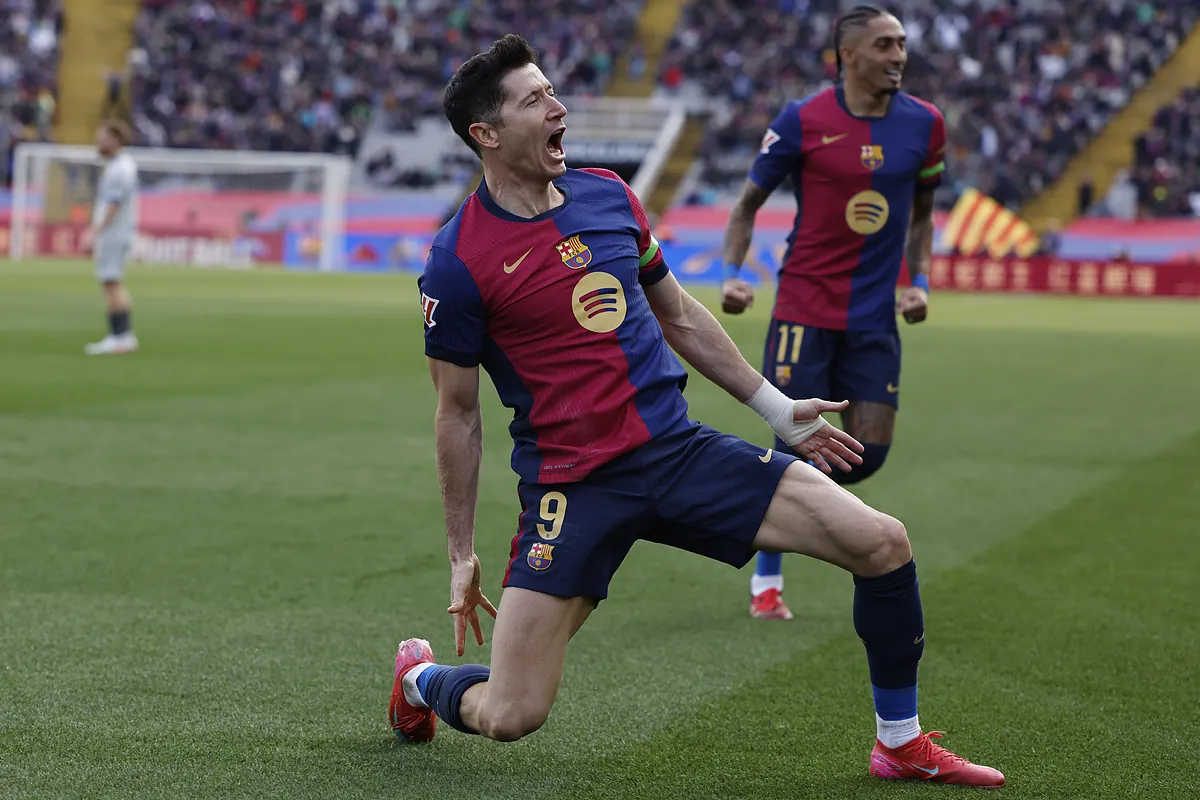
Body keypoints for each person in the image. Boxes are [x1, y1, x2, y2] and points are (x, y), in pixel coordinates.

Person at [390, 34, 1003, 787]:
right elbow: (456, 414)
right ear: (486, 133)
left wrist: (778, 408)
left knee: (882, 542)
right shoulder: (457, 261)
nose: (558, 108)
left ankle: (899, 743)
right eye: (535, 100)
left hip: (677, 453)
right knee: (511, 713)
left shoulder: (607, 195)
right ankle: (420, 679)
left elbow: (678, 314)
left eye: (552, 91)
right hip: (574, 488)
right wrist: (461, 553)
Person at [720, 6, 945, 621]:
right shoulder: (802, 120)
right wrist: (734, 275)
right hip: (803, 310)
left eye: (901, 44)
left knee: (867, 453)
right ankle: (767, 582)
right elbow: (746, 207)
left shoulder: (925, 124)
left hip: (874, 318)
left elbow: (923, 218)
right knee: (795, 441)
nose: (899, 56)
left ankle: (781, 507)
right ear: (848, 55)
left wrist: (920, 282)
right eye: (885, 45)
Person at [85, 120, 139, 355]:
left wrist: (95, 231)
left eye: (102, 139)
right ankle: (124, 336)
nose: (98, 144)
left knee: (111, 282)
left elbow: (114, 204)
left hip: (114, 233)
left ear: (115, 140)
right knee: (112, 282)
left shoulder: (119, 169)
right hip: (118, 232)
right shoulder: (121, 166)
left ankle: (119, 337)